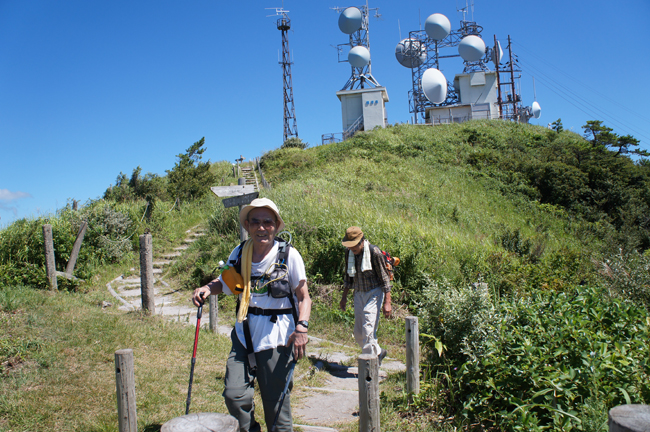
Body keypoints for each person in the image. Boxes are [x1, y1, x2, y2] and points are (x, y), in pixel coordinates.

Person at [192, 198, 311, 432]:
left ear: (276, 225)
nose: (261, 227)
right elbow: (225, 282)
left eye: (268, 222)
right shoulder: (239, 252)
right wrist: (207, 288)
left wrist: (302, 328)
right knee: (234, 394)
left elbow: (304, 296)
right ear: (247, 225)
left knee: (276, 409)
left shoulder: (289, 255)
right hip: (244, 334)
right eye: (255, 222)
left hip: (277, 337)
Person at [339, 226, 392, 364]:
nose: (352, 249)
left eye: (354, 246)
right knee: (358, 334)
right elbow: (348, 277)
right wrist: (344, 297)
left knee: (368, 329)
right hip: (358, 293)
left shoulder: (374, 252)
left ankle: (369, 366)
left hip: (374, 293)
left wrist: (388, 302)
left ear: (362, 241)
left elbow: (384, 278)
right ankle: (379, 352)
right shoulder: (349, 253)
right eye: (349, 246)